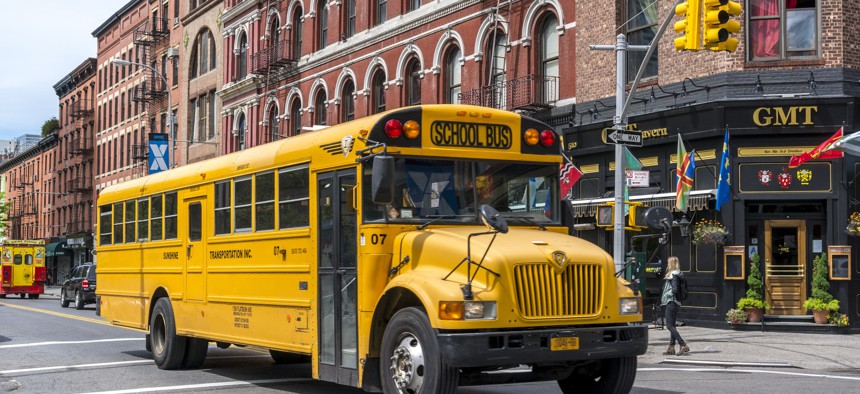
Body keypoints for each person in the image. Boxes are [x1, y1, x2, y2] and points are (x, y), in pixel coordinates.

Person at [661, 256, 689, 356]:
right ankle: (671, 348)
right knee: (672, 325)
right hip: (676, 302)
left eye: (669, 263)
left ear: (671, 264)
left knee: (669, 326)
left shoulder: (673, 274)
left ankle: (683, 344)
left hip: (671, 301)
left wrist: (669, 295)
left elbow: (675, 290)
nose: (667, 264)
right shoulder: (679, 273)